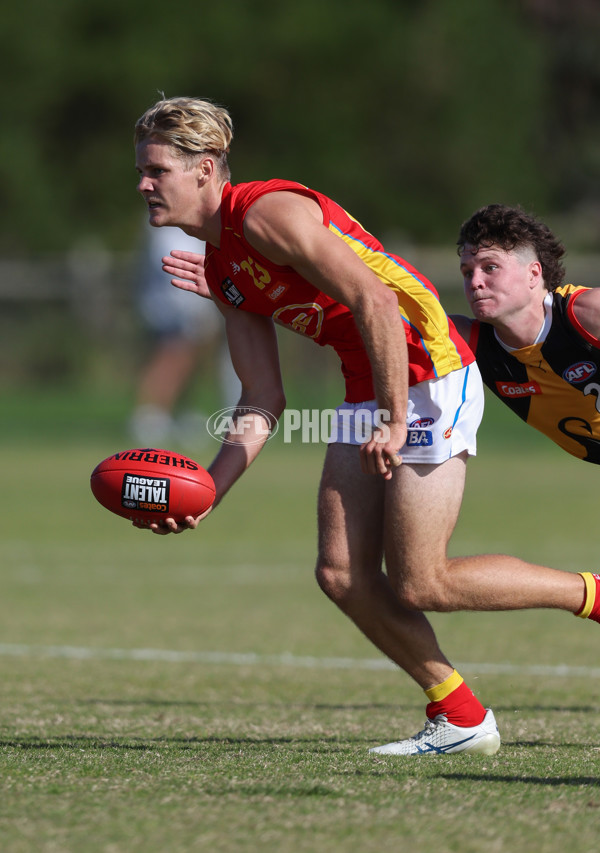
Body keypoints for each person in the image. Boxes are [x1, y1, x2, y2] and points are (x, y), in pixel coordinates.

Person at [133, 96, 599, 757]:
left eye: (157, 171)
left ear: (205, 170)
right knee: (342, 572)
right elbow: (262, 398)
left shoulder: (266, 213)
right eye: (143, 170)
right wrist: (208, 490)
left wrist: (392, 414)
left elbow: (376, 300)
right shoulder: (220, 267)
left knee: (419, 579)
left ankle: (593, 596)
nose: (144, 184)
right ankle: (461, 715)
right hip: (373, 388)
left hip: (429, 368)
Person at [453, 203, 600, 467]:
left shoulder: (588, 315)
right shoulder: (469, 343)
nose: (475, 282)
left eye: (490, 267)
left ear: (533, 274)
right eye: (467, 272)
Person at [129, 222, 239, 448]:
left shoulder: (187, 226)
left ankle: (176, 415)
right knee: (170, 360)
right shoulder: (167, 230)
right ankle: (150, 418)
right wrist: (193, 310)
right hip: (173, 307)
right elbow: (175, 266)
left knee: (188, 363)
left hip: (184, 306)